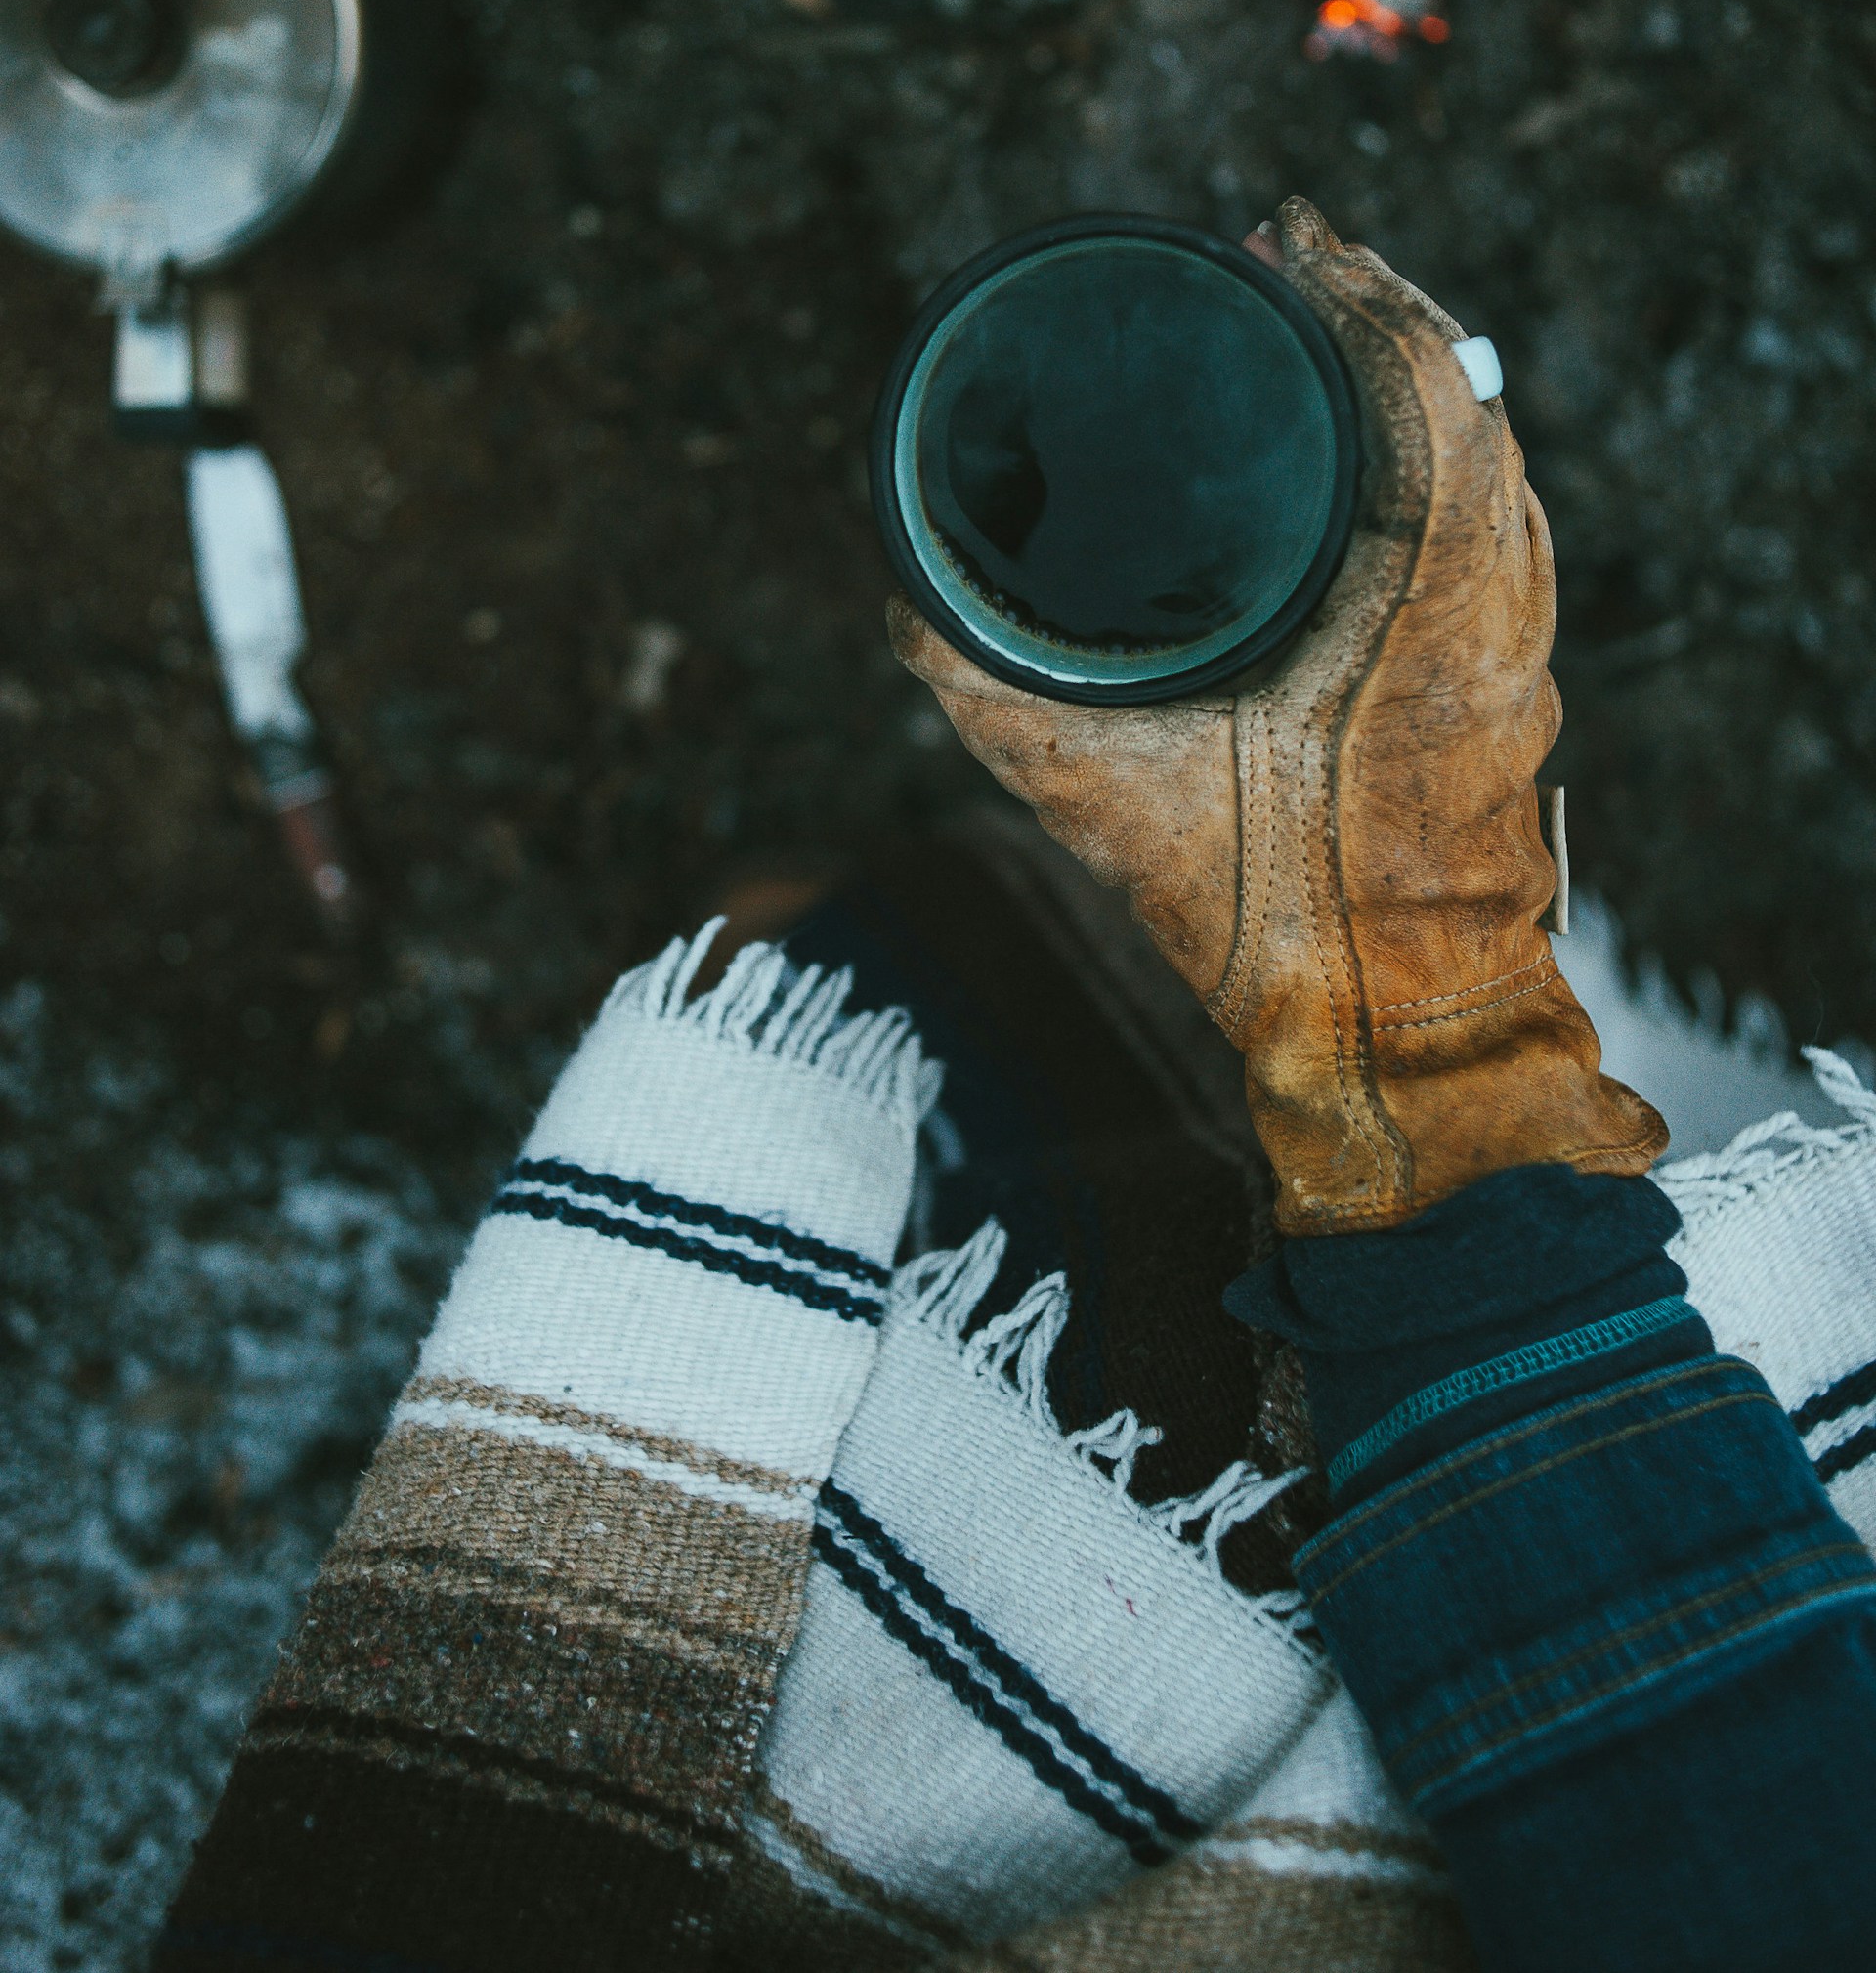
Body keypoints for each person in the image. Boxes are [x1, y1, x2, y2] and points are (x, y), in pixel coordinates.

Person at [158, 201, 1876, 1973]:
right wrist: (1423, 1017)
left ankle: (878, 940)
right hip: (1452, 1400)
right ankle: (920, 940)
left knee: (850, 973)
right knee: (979, 990)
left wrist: (1421, 1037)